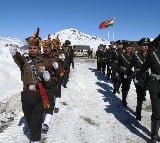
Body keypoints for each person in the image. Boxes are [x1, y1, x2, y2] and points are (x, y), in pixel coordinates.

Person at [9, 28, 51, 143]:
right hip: (26, 94)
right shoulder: (24, 60)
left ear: (39, 49)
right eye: (30, 48)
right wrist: (14, 53)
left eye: (35, 48)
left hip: (38, 95)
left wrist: (47, 77)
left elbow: (49, 82)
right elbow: (18, 59)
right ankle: (33, 132)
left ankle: (35, 140)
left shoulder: (44, 62)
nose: (32, 50)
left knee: (36, 121)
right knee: (28, 118)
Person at [135, 34, 160, 143]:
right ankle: (154, 135)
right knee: (157, 111)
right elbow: (143, 68)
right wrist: (137, 78)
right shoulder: (152, 55)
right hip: (155, 85)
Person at [125, 37, 150, 121]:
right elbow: (130, 65)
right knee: (140, 94)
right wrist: (125, 73)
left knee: (143, 94)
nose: (146, 46)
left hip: (149, 77)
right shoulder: (136, 55)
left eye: (147, 45)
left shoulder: (152, 55)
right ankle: (138, 113)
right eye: (144, 45)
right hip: (138, 77)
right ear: (140, 46)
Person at [41, 35, 59, 132]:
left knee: (50, 102)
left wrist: (57, 67)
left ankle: (46, 122)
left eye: (47, 47)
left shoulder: (54, 57)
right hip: (41, 83)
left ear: (50, 48)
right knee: (41, 102)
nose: (45, 49)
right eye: (44, 47)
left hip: (51, 82)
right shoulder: (39, 57)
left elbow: (58, 69)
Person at [118, 41, 134, 107]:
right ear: (125, 48)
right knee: (124, 86)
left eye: (130, 47)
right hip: (123, 72)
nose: (129, 48)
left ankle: (125, 96)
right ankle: (124, 99)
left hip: (130, 72)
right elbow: (118, 64)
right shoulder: (121, 55)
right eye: (128, 47)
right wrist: (117, 72)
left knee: (128, 86)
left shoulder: (134, 55)